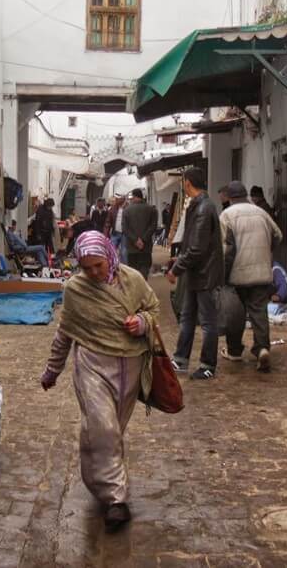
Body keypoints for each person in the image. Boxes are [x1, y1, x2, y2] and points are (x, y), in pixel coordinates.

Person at [40, 231, 159, 531]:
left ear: (110, 257)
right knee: (103, 426)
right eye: (87, 267)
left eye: (99, 266)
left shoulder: (132, 280)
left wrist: (142, 322)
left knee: (111, 430)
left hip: (129, 366)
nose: (93, 273)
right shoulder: (75, 290)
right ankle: (116, 499)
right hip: (91, 364)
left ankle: (99, 479)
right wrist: (52, 371)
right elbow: (64, 332)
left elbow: (153, 308)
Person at [166, 168, 224, 380]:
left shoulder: (203, 208)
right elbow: (194, 244)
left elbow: (198, 248)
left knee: (208, 322)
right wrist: (179, 261)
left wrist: (176, 268)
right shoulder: (199, 206)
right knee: (188, 317)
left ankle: (208, 365)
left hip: (204, 274)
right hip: (196, 274)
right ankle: (180, 359)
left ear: (187, 183)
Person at [219, 181, 283, 371]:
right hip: (262, 272)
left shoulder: (227, 215)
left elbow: (225, 249)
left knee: (235, 314)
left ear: (230, 198)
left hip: (237, 274)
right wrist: (266, 253)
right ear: (246, 195)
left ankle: (235, 351)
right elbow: (278, 235)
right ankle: (262, 348)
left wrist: (221, 275)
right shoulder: (260, 212)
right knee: (259, 312)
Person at [121, 188, 157, 279]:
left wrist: (135, 240)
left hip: (132, 246)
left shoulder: (126, 210)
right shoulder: (152, 209)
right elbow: (153, 226)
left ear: (134, 196)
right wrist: (143, 240)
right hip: (146, 246)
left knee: (133, 269)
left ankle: (136, 288)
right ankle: (143, 286)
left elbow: (125, 228)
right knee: (145, 267)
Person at [105, 194, 127, 262]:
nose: (116, 200)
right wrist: (106, 233)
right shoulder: (113, 209)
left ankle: (124, 267)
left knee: (124, 252)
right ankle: (112, 264)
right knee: (112, 250)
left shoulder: (128, 208)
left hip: (125, 234)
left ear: (123, 199)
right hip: (115, 233)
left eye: (118, 199)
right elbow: (108, 222)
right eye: (116, 199)